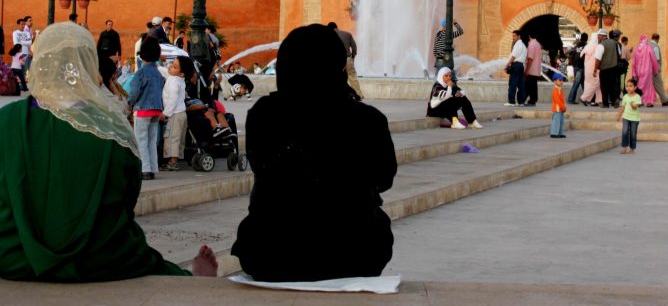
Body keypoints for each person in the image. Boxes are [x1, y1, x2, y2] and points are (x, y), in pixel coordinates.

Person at [0, 22, 217, 281]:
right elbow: (126, 199)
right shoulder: (110, 128)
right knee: (142, 256)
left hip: (15, 256)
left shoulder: (7, 121)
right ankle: (196, 279)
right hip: (99, 259)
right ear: (89, 65)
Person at [232, 24, 397, 282]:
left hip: (270, 253)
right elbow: (384, 179)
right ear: (339, 65)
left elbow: (261, 166)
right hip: (355, 253)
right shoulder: (368, 120)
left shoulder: (263, 115)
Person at [127, 37, 165, 180]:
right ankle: (153, 168)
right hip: (156, 110)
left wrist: (129, 104)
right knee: (151, 140)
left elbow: (134, 92)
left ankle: (144, 169)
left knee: (141, 139)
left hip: (143, 110)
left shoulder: (141, 73)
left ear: (142, 55)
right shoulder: (158, 73)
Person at [328, 21, 363, 100]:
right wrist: (352, 57)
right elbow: (354, 47)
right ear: (337, 27)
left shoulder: (329, 36)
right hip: (347, 59)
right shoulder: (347, 34)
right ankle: (358, 95)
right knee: (352, 77)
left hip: (335, 60)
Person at [631, 35, 659, 107]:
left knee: (640, 84)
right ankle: (648, 101)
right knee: (648, 86)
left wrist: (633, 73)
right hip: (647, 70)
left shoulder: (636, 48)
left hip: (638, 70)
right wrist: (656, 70)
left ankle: (640, 100)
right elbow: (653, 60)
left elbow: (633, 62)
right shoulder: (649, 47)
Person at [594, 28, 620, 108]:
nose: (598, 37)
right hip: (614, 67)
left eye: (598, 36)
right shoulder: (615, 43)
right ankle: (614, 101)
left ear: (602, 36)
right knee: (613, 85)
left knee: (604, 86)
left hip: (604, 69)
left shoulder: (601, 45)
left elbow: (598, 58)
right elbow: (619, 54)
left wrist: (595, 69)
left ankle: (605, 103)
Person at [617, 77, 642, 154]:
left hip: (635, 119)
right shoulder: (625, 96)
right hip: (626, 117)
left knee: (633, 134)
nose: (628, 88)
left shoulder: (637, 97)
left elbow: (635, 107)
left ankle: (632, 149)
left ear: (635, 87)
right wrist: (619, 115)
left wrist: (632, 105)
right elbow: (623, 107)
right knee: (624, 132)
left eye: (631, 86)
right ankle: (624, 147)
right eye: (627, 86)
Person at [504, 30, 527, 106]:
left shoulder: (518, 45)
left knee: (512, 83)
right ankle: (521, 102)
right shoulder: (523, 45)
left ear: (519, 36)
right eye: (512, 36)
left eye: (514, 36)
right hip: (521, 66)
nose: (513, 38)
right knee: (521, 84)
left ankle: (511, 101)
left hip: (516, 65)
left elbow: (513, 56)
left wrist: (507, 65)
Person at [650, 34, 668, 106]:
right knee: (659, 85)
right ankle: (664, 101)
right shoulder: (655, 46)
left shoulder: (647, 44)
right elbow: (656, 59)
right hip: (654, 69)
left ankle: (640, 101)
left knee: (646, 85)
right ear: (657, 39)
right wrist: (656, 70)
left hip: (647, 69)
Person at [579, 33, 603, 106]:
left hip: (587, 68)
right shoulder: (597, 46)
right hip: (594, 68)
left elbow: (581, 55)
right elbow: (599, 57)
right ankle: (584, 98)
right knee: (597, 82)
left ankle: (599, 100)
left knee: (588, 84)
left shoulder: (587, 46)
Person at [567, 33, 588, 104]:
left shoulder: (576, 46)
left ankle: (587, 99)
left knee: (583, 83)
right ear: (586, 38)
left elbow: (572, 56)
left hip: (575, 66)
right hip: (581, 67)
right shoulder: (586, 46)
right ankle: (570, 99)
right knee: (577, 83)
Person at [524, 33, 542, 106]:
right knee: (533, 86)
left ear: (529, 36)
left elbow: (530, 59)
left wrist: (527, 70)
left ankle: (522, 100)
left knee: (527, 86)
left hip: (531, 69)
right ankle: (532, 100)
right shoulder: (538, 44)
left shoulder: (531, 45)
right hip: (536, 69)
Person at [550, 72, 567, 138]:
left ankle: (560, 133)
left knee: (561, 121)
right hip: (557, 109)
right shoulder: (555, 90)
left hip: (561, 109)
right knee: (556, 121)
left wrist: (564, 106)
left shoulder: (560, 89)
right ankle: (554, 133)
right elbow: (557, 100)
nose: (561, 82)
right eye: (560, 80)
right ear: (554, 81)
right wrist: (563, 106)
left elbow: (563, 99)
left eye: (562, 80)